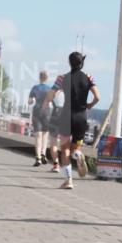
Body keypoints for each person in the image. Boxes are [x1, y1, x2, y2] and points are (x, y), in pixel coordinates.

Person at [48, 52, 100, 190]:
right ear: (81, 63)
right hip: (81, 117)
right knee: (74, 148)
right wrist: (89, 105)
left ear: (69, 62)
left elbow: (52, 94)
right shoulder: (89, 78)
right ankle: (78, 155)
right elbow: (97, 97)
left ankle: (68, 180)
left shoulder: (62, 78)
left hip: (66, 116)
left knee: (64, 150)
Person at [28, 71, 54, 166]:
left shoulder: (35, 88)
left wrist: (33, 100)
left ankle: (38, 157)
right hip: (46, 112)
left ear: (39, 78)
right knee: (45, 135)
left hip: (37, 111)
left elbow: (30, 101)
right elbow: (52, 100)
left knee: (38, 135)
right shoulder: (50, 89)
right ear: (47, 78)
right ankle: (43, 153)